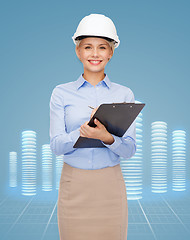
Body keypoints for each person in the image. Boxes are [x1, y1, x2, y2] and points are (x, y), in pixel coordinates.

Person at [49, 13, 136, 240]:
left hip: (110, 185)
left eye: (102, 47)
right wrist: (83, 132)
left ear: (111, 52)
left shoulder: (124, 94)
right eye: (88, 47)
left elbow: (129, 150)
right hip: (74, 184)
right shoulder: (61, 93)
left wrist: (106, 137)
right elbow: (57, 146)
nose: (95, 54)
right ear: (78, 52)